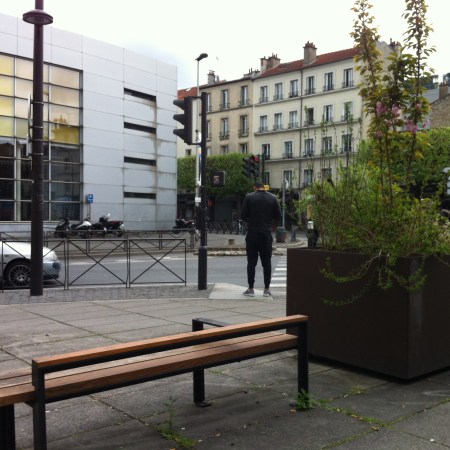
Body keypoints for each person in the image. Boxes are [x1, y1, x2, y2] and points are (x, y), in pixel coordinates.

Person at [240, 181, 282, 297]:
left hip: (252, 233)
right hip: (266, 233)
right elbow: (278, 216)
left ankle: (251, 289)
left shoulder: (249, 197)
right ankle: (266, 289)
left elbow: (243, 216)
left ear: (255, 187)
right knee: (266, 262)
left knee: (251, 262)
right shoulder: (273, 198)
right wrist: (269, 222)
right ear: (264, 188)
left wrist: (250, 220)